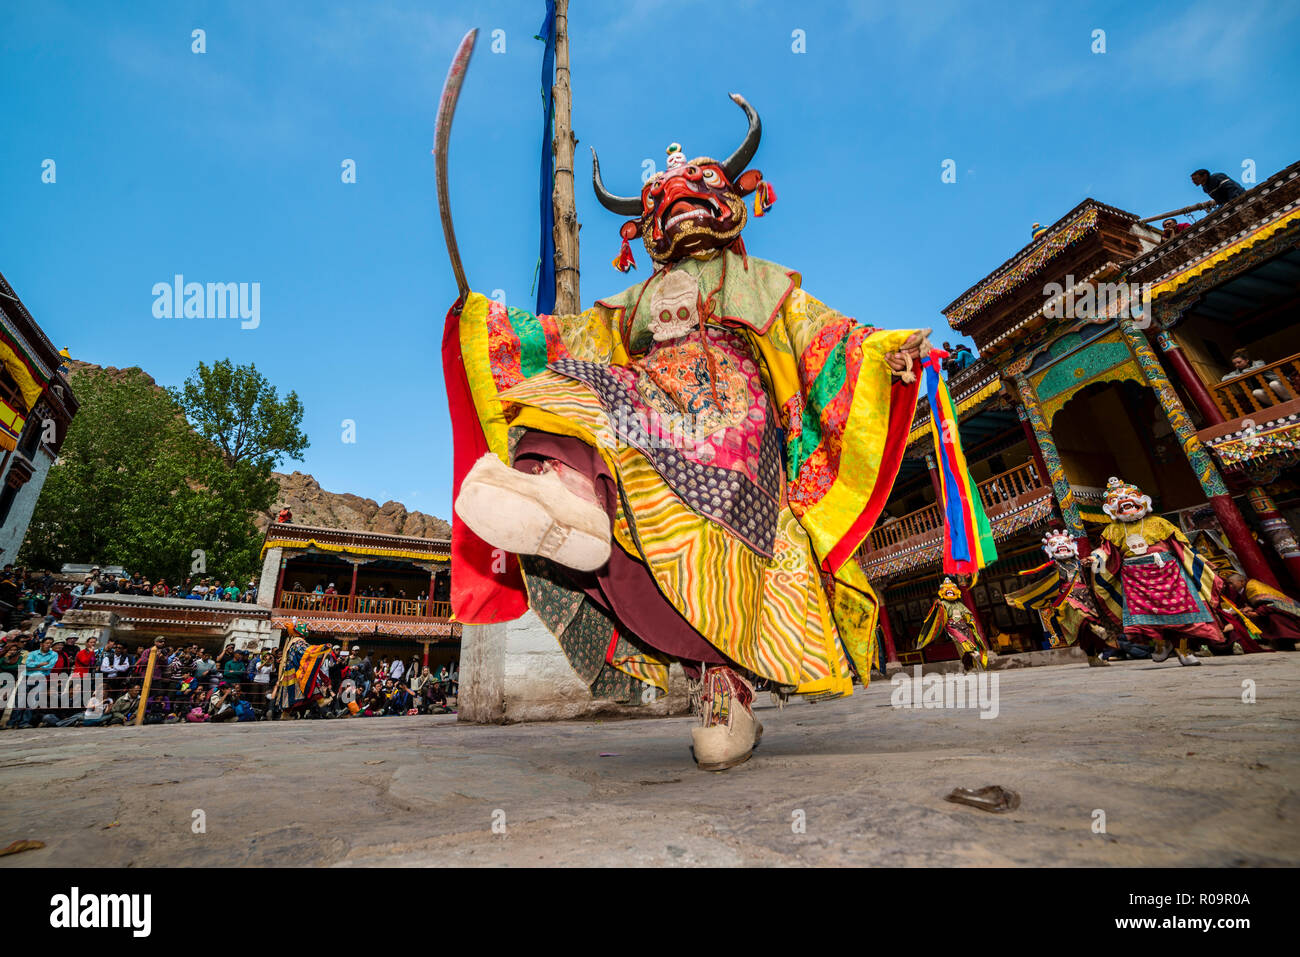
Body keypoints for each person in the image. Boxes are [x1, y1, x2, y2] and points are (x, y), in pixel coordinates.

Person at [447, 97, 940, 771]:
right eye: (663, 203)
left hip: (736, 428)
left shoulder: (762, 282)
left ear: (728, 202)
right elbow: (565, 342)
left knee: (720, 541)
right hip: (649, 407)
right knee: (574, 385)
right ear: (648, 229)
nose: (678, 205)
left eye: (693, 192)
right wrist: (490, 322)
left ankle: (724, 689)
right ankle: (568, 497)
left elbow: (829, 338)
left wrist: (884, 352)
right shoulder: (631, 304)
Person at [1089, 477, 1264, 663]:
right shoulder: (1112, 530)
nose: (1128, 509)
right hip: (1135, 577)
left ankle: (1184, 650)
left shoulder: (1159, 522)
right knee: (1145, 619)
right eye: (1122, 507)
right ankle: (1161, 644)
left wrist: (1200, 560)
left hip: (1168, 573)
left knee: (1183, 614)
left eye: (1131, 503)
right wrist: (1094, 558)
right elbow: (1106, 551)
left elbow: (1181, 546)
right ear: (1113, 510)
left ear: (1142, 502)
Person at [1005, 530, 1114, 667]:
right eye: (1055, 543)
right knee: (1083, 617)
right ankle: (1096, 629)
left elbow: (1099, 573)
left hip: (1087, 597)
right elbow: (1041, 584)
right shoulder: (1052, 567)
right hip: (1066, 600)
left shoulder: (1079, 563)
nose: (1061, 545)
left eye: (1065, 542)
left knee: (1085, 633)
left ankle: (1093, 656)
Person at [915, 578, 991, 671]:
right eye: (947, 590)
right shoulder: (942, 603)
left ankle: (970, 663)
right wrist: (937, 605)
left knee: (966, 643)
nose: (949, 592)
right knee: (962, 640)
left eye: (951, 590)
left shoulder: (959, 603)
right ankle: (972, 653)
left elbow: (968, 613)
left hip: (964, 626)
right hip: (952, 626)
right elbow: (937, 614)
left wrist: (970, 620)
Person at [1225, 572, 1300, 650]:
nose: (1230, 587)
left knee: (1274, 618)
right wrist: (1248, 608)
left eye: (1231, 583)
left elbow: (1270, 603)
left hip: (1286, 611)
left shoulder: (1253, 587)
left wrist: (1257, 612)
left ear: (1242, 581)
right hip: (1268, 608)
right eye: (1228, 584)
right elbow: (1251, 603)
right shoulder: (1243, 589)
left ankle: (1285, 643)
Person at [1219, 348, 1290, 406]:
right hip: (1264, 390)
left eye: (1239, 362)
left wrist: (1244, 373)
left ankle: (1289, 400)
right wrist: (1241, 375)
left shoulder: (1258, 362)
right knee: (1256, 392)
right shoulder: (1237, 372)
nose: (1237, 365)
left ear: (1246, 360)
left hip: (1278, 384)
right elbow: (1224, 379)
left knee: (1273, 384)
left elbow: (1259, 368)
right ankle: (1277, 405)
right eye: (1234, 364)